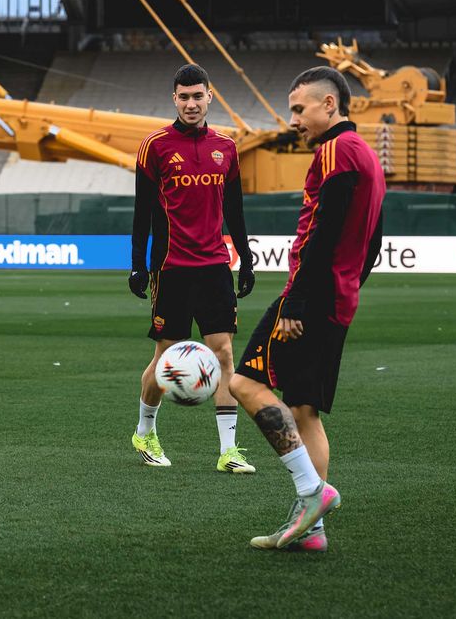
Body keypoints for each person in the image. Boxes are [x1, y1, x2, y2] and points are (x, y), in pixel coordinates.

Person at [228, 66, 385, 553]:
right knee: (304, 410)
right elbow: (373, 240)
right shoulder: (367, 156)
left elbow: (322, 231)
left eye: (299, 109)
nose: (293, 119)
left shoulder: (335, 151)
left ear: (329, 106)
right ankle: (311, 529)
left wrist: (297, 299)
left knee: (243, 383)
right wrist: (347, 286)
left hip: (311, 296)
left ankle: (314, 495)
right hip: (336, 297)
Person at [129, 63, 256, 473]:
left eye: (197, 96)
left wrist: (246, 260)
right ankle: (144, 431)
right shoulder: (156, 146)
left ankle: (228, 451)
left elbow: (235, 210)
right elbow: (142, 213)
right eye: (183, 97)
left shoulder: (227, 147)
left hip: (215, 266)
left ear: (209, 96)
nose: (190, 103)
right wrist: (137, 265)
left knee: (223, 354)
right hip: (171, 269)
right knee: (166, 356)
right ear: (174, 99)